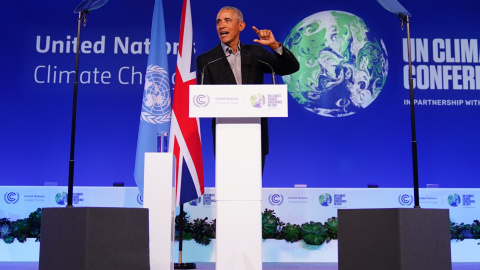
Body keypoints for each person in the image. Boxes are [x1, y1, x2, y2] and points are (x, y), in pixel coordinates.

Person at [196, 6, 299, 172]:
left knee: (253, 193)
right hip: (225, 137)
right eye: (218, 22)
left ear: (241, 26)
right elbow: (203, 100)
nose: (221, 25)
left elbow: (290, 67)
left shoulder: (256, 53)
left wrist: (274, 45)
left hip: (256, 134)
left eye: (227, 20)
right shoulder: (206, 60)